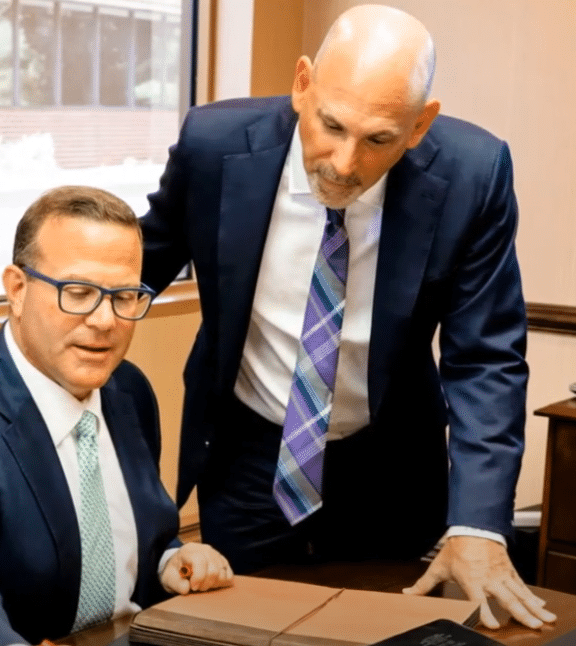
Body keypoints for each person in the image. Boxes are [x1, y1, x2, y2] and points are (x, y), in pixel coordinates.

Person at [139, 3, 555, 631]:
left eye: (379, 140)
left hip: (390, 467)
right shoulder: (213, 144)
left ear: (420, 126)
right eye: (331, 126)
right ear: (303, 85)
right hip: (251, 458)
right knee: (239, 633)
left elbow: (486, 358)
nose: (342, 162)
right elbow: (138, 263)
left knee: (390, 633)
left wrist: (478, 524)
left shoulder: (472, 174)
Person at [0, 186, 232, 646]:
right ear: (17, 289)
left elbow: (135, 530)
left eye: (124, 296)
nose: (105, 321)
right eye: (78, 293)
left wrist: (170, 559)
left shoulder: (128, 391)